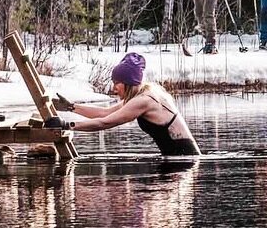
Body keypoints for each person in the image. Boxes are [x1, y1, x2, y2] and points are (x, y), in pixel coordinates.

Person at [45, 52, 200, 156]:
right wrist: (72, 107)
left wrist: (66, 125)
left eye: (116, 83)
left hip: (184, 161)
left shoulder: (144, 100)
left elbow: (104, 123)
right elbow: (105, 113)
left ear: (128, 82)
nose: (113, 89)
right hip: (180, 160)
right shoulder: (144, 93)